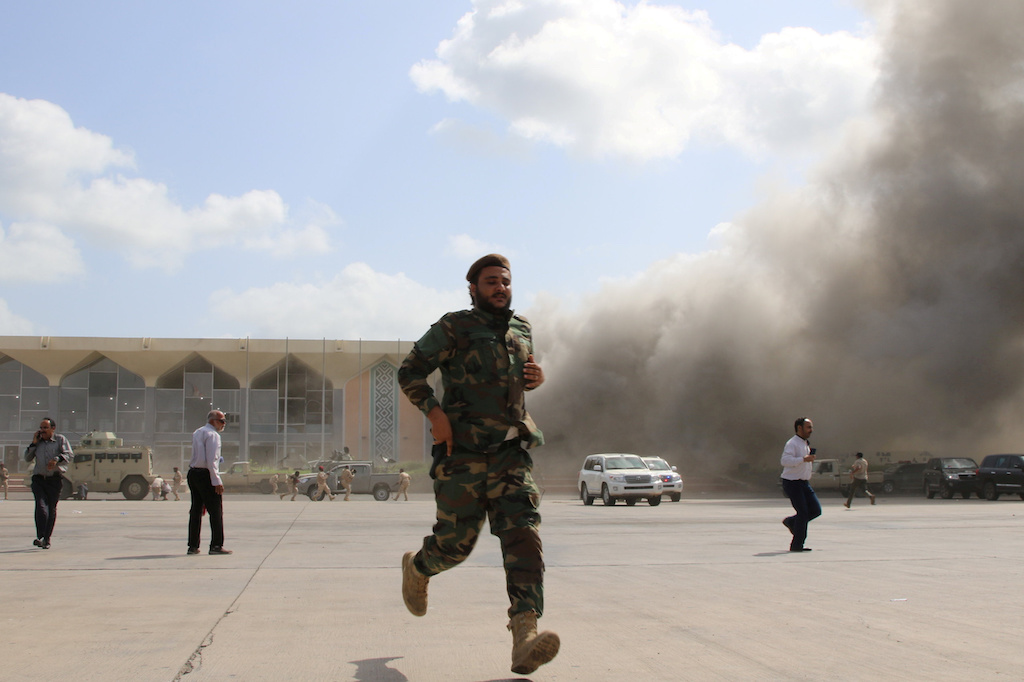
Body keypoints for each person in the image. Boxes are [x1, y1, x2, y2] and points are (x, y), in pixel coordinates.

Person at [397, 253, 559, 675]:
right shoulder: (454, 326)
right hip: (463, 457)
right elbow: (410, 370)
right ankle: (418, 566)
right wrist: (435, 415)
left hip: (510, 453)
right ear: (473, 288)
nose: (500, 287)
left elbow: (517, 378)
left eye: (505, 281)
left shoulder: (522, 328)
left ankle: (525, 634)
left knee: (523, 537)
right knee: (455, 545)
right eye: (490, 282)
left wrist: (535, 377)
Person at [187, 410, 232, 555]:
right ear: (213, 421)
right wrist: (216, 481)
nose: (224, 424)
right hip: (206, 475)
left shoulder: (198, 432)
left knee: (196, 511)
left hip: (193, 473)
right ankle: (216, 545)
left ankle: (193, 546)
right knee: (215, 511)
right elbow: (211, 460)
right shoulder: (213, 435)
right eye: (222, 421)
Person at [24, 418, 73, 549]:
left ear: (53, 428)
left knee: (51, 509)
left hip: (54, 480)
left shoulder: (60, 440)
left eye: (45, 428)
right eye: (41, 427)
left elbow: (69, 455)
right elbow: (27, 458)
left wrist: (56, 459)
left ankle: (46, 538)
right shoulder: (38, 442)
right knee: (40, 506)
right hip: (39, 479)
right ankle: (40, 536)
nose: (42, 430)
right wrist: (33, 443)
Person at [780, 417, 822, 552]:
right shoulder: (792, 443)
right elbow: (785, 461)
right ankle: (797, 545)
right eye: (808, 427)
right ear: (799, 428)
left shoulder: (805, 443)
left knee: (815, 510)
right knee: (803, 513)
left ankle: (791, 522)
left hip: (804, 482)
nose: (811, 430)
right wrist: (803, 459)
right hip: (792, 482)